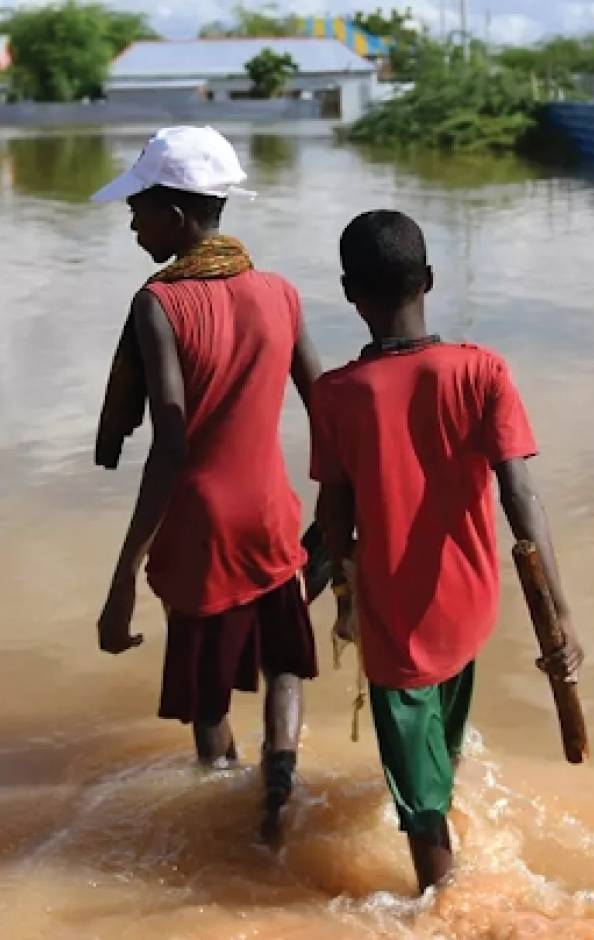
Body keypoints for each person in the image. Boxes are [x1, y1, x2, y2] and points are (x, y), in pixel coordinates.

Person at [309, 209, 584, 893]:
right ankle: (458, 873)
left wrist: (300, 596)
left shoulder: (336, 395)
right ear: (428, 278)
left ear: (349, 293)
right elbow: (522, 498)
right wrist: (563, 618)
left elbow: (333, 526)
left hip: (397, 625)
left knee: (421, 808)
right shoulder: (482, 370)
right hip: (469, 611)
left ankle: (445, 908)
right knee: (441, 756)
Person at [90, 126, 322, 845]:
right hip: (272, 515)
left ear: (179, 216)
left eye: (139, 208)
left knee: (206, 692)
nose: (131, 223)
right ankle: (280, 772)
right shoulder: (280, 293)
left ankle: (225, 804)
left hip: (200, 527)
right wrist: (342, 515)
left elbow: (170, 443)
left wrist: (124, 575)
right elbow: (329, 406)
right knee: (286, 660)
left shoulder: (158, 304)